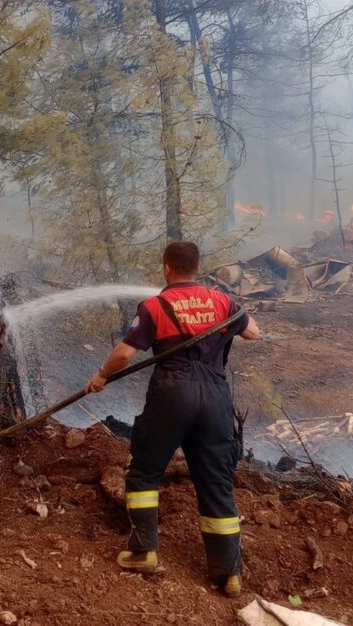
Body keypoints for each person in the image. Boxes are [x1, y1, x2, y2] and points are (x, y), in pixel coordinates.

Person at [85, 241, 260, 598]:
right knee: (216, 481)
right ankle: (229, 572)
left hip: (171, 395)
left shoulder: (154, 306)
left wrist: (101, 375)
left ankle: (143, 552)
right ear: (197, 268)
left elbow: (125, 354)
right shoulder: (221, 301)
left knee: (144, 471)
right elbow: (252, 332)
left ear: (167, 268)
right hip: (215, 398)